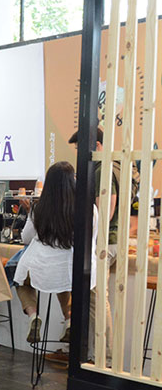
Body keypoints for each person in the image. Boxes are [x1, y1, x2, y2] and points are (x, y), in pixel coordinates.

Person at [14, 162, 95, 362]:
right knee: (63, 281)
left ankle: (33, 315)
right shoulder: (87, 208)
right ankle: (69, 321)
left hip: (40, 267)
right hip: (72, 269)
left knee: (20, 282)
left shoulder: (38, 208)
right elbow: (92, 238)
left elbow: (26, 237)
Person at [69, 128, 116, 360]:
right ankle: (94, 355)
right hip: (102, 241)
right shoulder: (105, 168)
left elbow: (105, 213)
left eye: (81, 149)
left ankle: (102, 357)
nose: (78, 155)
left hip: (104, 242)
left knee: (97, 298)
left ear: (97, 146)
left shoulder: (101, 171)